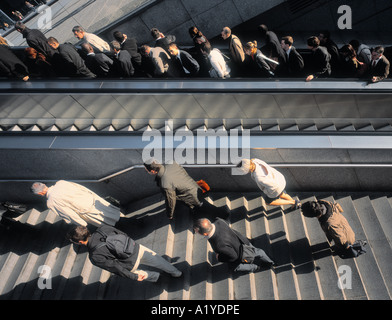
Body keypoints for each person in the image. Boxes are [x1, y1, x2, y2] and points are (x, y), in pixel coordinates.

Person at [67, 225, 182, 282]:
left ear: (80, 242)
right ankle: (176, 272)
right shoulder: (103, 228)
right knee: (158, 260)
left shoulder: (94, 256)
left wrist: (134, 276)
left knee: (141, 273)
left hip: (129, 264)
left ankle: (155, 277)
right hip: (135, 248)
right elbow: (123, 234)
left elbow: (116, 268)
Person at [194, 218, 275, 273]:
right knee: (258, 252)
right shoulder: (218, 221)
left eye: (196, 232)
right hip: (243, 241)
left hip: (241, 253)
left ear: (205, 233)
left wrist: (220, 257)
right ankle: (270, 262)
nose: (196, 232)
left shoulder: (218, 245)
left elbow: (233, 256)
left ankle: (255, 267)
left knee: (235, 267)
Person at [31, 180, 121, 227]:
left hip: (88, 211)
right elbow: (81, 187)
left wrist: (82, 224)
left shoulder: (51, 202)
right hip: (93, 199)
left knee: (110, 223)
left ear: (39, 193)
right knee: (115, 213)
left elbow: (69, 214)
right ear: (44, 185)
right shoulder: (61, 182)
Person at [301, 199, 366, 258]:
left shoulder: (329, 224)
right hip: (341, 222)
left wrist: (346, 246)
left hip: (347, 238)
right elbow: (336, 206)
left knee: (340, 245)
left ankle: (345, 247)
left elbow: (340, 237)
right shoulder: (324, 203)